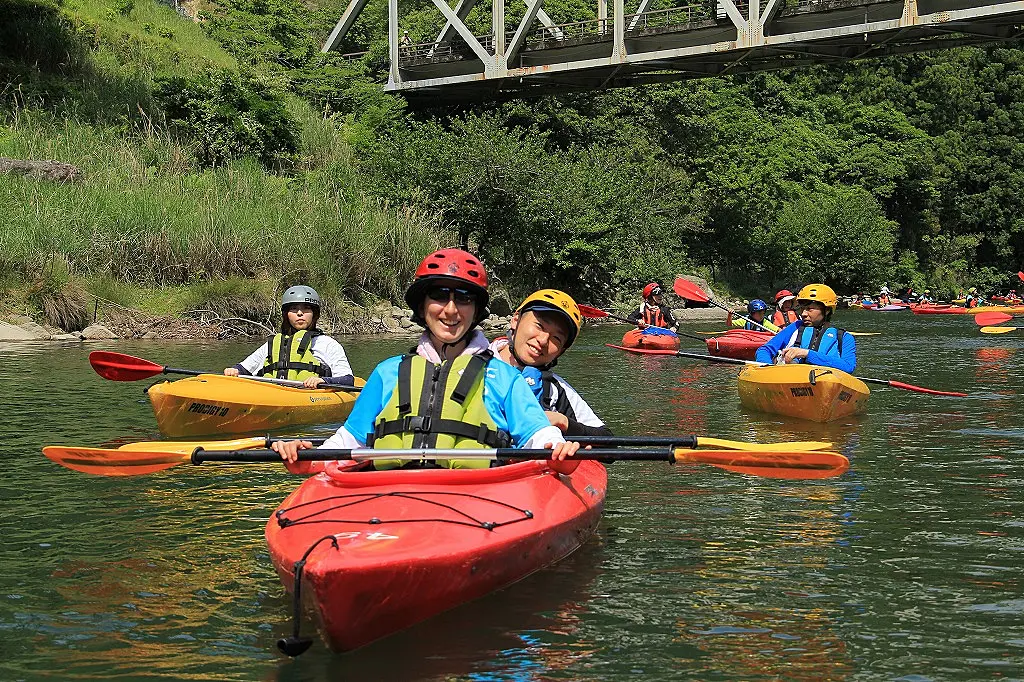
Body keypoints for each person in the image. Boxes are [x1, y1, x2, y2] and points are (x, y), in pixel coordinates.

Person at [273, 249, 581, 474]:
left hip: (477, 497)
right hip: (387, 494)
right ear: (422, 306)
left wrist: (559, 450)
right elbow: (349, 439)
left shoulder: (504, 378)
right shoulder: (388, 372)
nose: (450, 310)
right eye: (439, 295)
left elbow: (537, 434)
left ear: (477, 311)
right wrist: (308, 457)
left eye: (463, 298)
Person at [490, 289, 613, 438]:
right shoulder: (471, 362)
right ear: (516, 320)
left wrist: (564, 422)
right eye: (539, 326)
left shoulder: (555, 389)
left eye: (556, 338)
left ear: (561, 351)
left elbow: (606, 439)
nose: (543, 340)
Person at [224, 286, 354, 388]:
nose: (299, 313)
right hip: (273, 393)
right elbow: (244, 368)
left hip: (309, 395)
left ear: (314, 314)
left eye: (306, 309)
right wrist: (233, 370)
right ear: (286, 315)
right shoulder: (273, 344)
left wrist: (322, 380)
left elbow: (347, 380)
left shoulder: (327, 344)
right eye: (294, 309)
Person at [755, 284, 856, 373]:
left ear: (827, 310)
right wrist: (768, 369)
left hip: (826, 382)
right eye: (802, 309)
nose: (803, 314)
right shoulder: (795, 327)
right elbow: (764, 350)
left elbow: (848, 366)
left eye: (809, 309)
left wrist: (806, 353)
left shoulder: (844, 337)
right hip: (789, 380)